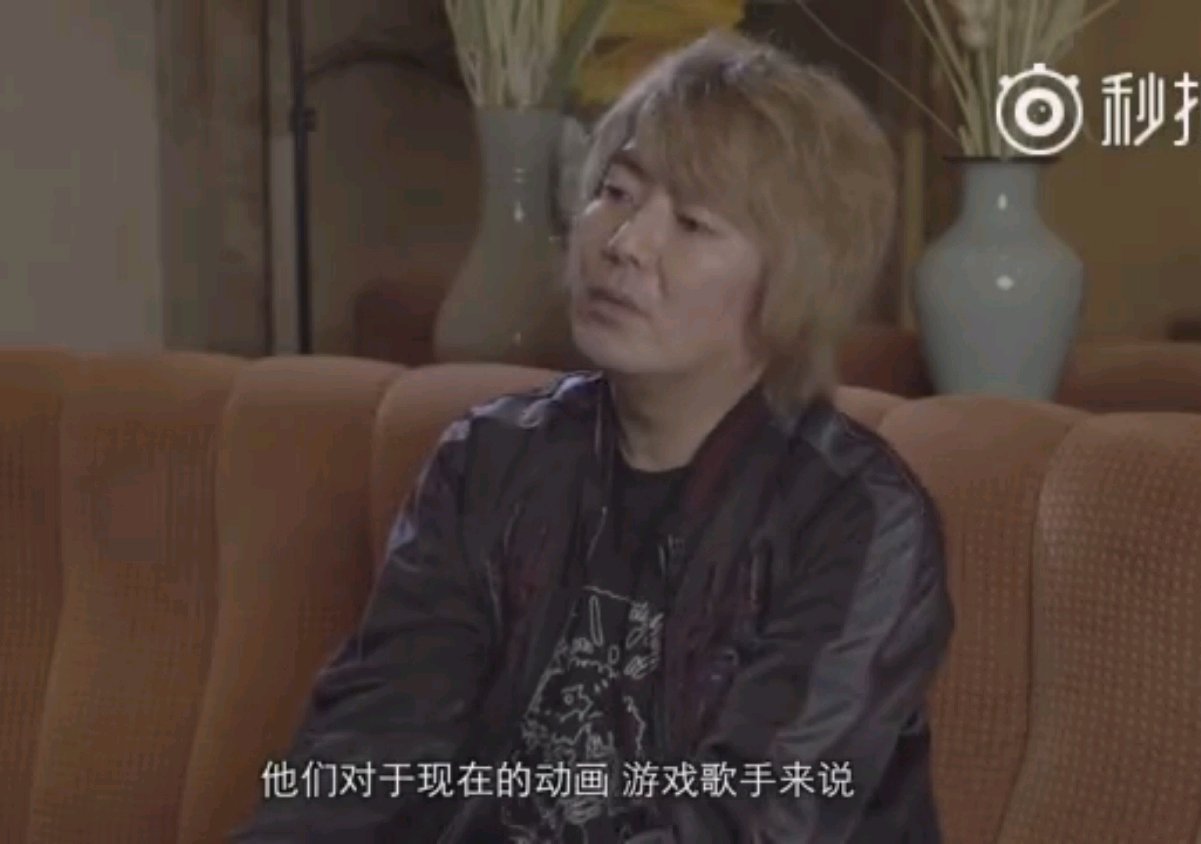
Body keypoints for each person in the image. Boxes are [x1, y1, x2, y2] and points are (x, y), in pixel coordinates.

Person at [233, 29, 953, 844]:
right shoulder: (491, 461)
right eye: (615, 191)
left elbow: (750, 821)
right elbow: (367, 756)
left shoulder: (857, 520)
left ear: (794, 280)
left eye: (692, 222)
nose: (624, 243)